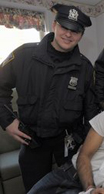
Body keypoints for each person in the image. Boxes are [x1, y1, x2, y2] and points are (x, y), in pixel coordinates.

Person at [0, 3, 97, 192]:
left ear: (81, 35)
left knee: (72, 189)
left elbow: (91, 111)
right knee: (36, 190)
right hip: (32, 142)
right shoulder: (24, 56)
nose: (68, 34)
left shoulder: (85, 68)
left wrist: (84, 141)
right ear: (54, 25)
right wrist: (8, 121)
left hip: (69, 143)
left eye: (75, 31)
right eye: (64, 27)